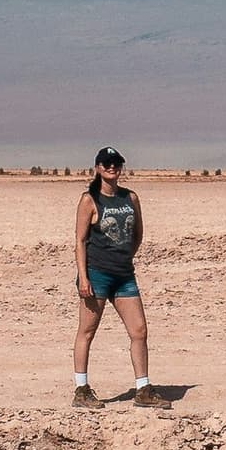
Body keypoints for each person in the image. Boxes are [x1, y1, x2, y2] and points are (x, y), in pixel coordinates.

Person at [70, 146, 150, 406]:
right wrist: (84, 277)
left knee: (139, 330)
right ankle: (81, 390)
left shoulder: (131, 198)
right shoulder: (89, 200)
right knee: (87, 331)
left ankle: (143, 389)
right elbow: (80, 240)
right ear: (97, 168)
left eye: (115, 163)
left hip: (124, 276)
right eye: (106, 163)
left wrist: (125, 257)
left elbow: (137, 234)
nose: (111, 167)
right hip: (97, 275)